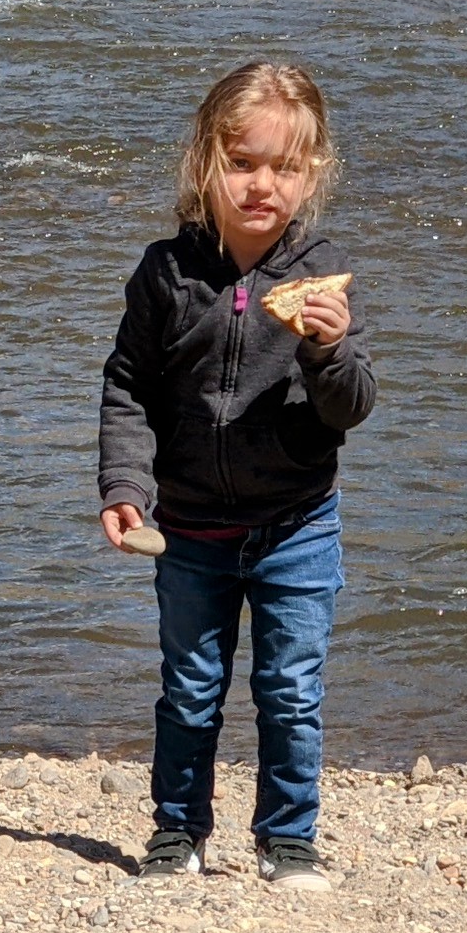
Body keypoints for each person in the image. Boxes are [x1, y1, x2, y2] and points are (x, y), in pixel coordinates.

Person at [96, 61, 378, 891]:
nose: (262, 185)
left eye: (284, 167)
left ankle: (287, 838)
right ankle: (177, 831)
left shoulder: (324, 277)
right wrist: (124, 486)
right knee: (189, 690)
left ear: (312, 175)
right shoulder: (166, 273)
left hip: (298, 524)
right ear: (204, 165)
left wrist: (327, 350)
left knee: (290, 690)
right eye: (242, 163)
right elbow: (127, 385)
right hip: (189, 528)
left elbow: (351, 409)